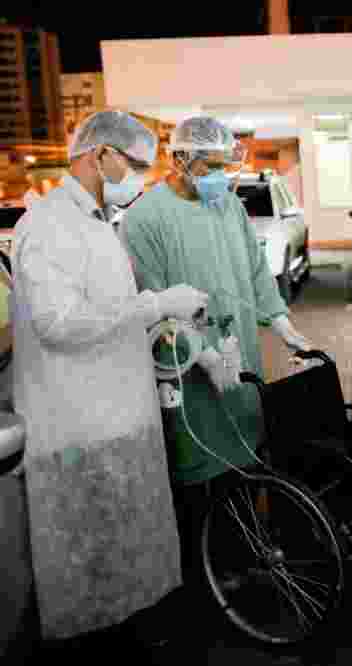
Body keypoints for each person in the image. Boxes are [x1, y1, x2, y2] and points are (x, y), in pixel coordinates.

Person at [10, 111, 208, 651]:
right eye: (137, 164)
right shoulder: (48, 226)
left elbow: (109, 311)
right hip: (79, 428)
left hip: (121, 419)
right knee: (90, 577)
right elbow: (59, 324)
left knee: (130, 571)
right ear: (100, 155)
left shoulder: (100, 223)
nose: (142, 177)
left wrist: (169, 328)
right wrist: (153, 306)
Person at [119, 115, 313, 612]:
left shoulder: (229, 207)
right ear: (180, 160)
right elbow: (152, 302)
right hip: (189, 377)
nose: (219, 179)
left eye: (225, 169)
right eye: (210, 167)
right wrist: (198, 352)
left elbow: (254, 271)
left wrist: (281, 321)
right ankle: (208, 589)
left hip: (241, 363)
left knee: (249, 468)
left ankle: (251, 568)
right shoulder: (146, 220)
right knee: (202, 479)